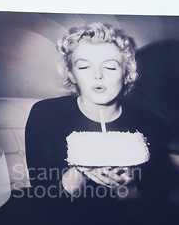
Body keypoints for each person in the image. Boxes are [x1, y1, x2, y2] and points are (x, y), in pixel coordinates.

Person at [25, 22, 168, 203]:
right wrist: (80, 172)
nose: (98, 75)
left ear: (126, 73)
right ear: (70, 74)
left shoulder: (150, 123)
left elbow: (154, 204)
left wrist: (127, 187)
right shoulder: (45, 114)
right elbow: (43, 199)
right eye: (84, 67)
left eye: (110, 67)